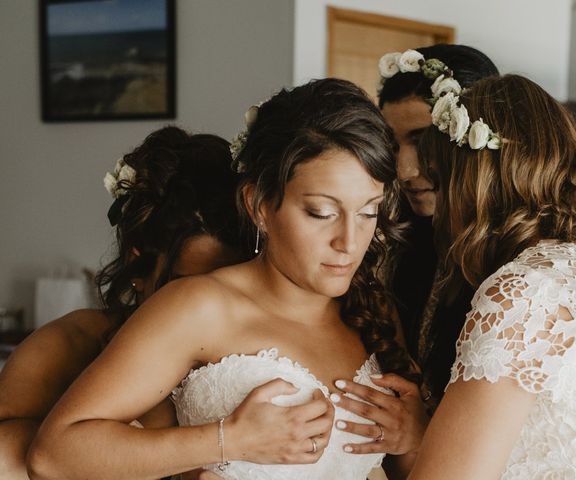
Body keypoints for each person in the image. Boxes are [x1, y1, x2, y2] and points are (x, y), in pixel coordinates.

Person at [27, 78, 419, 480]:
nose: (349, 242)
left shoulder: (372, 311)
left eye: (368, 212)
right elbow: (54, 455)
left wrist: (410, 441)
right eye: (321, 212)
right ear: (259, 205)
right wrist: (229, 441)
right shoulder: (198, 307)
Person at [0, 126, 323, 479]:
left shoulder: (259, 350)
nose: (207, 303)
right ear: (137, 268)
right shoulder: (68, 344)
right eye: (184, 286)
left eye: (232, 282)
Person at [408, 74, 576, 479]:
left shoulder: (524, 296)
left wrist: (411, 440)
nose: (438, 209)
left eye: (443, 185)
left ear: (475, 185)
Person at [332, 45, 499, 474]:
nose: (404, 170)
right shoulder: (384, 236)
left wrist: (424, 432)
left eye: (423, 142)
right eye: (392, 144)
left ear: (473, 136)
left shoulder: (519, 265)